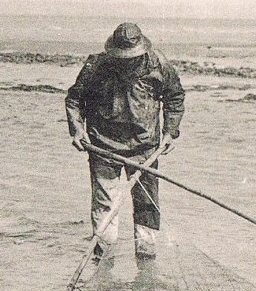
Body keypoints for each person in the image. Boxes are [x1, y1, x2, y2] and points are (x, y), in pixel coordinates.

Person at [65, 22, 185, 262]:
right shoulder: (96, 66)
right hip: (103, 146)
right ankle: (103, 257)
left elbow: (174, 97)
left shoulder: (158, 64)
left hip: (146, 148)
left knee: (147, 203)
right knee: (105, 204)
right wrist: (77, 131)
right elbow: (74, 99)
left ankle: (146, 257)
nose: (126, 61)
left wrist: (171, 131)